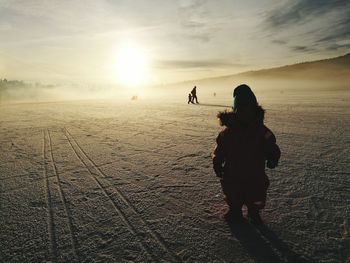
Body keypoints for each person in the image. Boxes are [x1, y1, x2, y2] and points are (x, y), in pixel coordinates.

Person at [212, 84, 280, 224]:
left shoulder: (262, 132)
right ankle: (235, 210)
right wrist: (217, 162)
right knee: (232, 192)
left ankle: (254, 211)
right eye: (242, 110)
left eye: (250, 109)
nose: (247, 113)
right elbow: (219, 149)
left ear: (255, 110)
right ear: (236, 111)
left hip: (255, 172)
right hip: (233, 172)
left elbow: (271, 146)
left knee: (257, 192)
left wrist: (273, 156)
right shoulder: (227, 134)